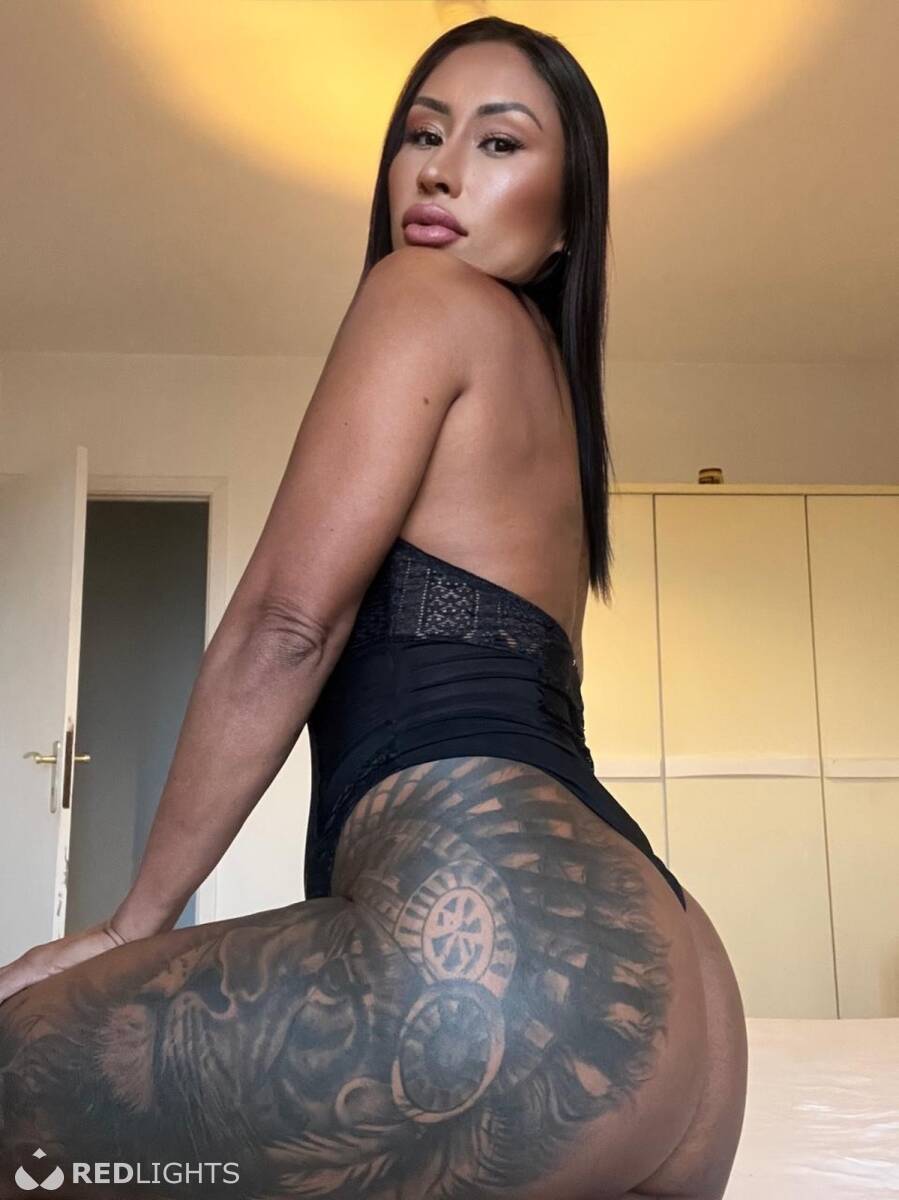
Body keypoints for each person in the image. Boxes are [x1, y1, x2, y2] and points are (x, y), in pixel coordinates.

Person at [0, 16, 748, 1199]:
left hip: (507, 970)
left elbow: (285, 627)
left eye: (497, 142)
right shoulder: (547, 416)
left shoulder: (421, 295)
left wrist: (132, 921)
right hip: (681, 1011)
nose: (439, 170)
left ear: (566, 220)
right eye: (419, 134)